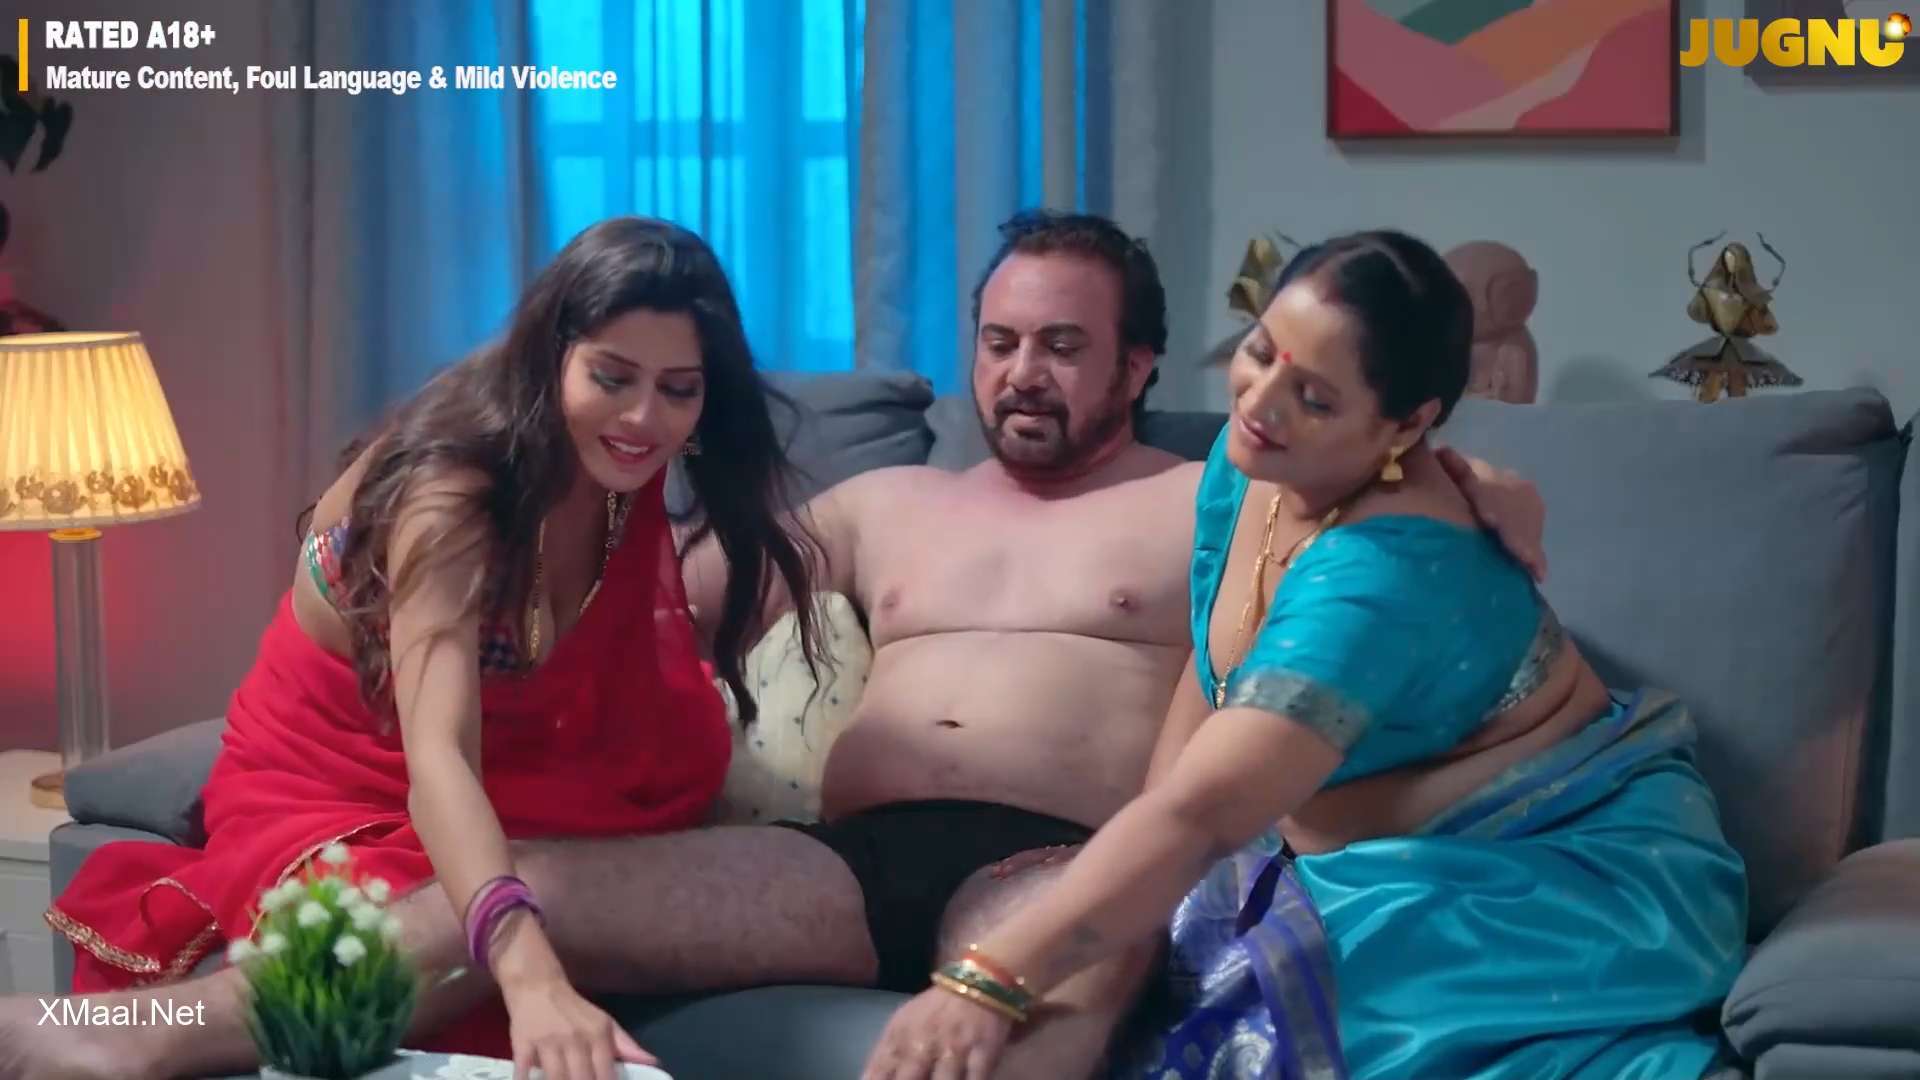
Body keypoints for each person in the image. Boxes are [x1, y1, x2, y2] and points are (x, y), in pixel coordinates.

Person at [1, 211, 1542, 1080]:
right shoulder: (881, 502)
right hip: (838, 862)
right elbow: (620, 615)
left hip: (1056, 860)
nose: (1024, 373)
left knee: (1058, 1003)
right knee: (498, 903)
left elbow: (1388, 526)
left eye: (1066, 347)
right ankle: (116, 1043)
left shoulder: (1217, 491)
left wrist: (1472, 479)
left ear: (1141, 364)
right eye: (1002, 340)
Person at [860, 229, 1749, 1080]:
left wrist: (984, 978)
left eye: (1315, 397)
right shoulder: (1253, 456)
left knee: (1236, 1001)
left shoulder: (1381, 571)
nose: (1260, 402)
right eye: (1260, 351)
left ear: (1406, 424)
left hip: (1531, 878)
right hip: (1334, 853)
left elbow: (1203, 814)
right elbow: (1210, 680)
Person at [25, 217, 831, 1080]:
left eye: (679, 389)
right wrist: (527, 973)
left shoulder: (614, 463)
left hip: (525, 759)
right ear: (551, 356)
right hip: (346, 776)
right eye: (612, 377)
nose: (643, 417)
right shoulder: (453, 491)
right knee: (423, 953)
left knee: (661, 816)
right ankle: (102, 1035)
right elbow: (439, 757)